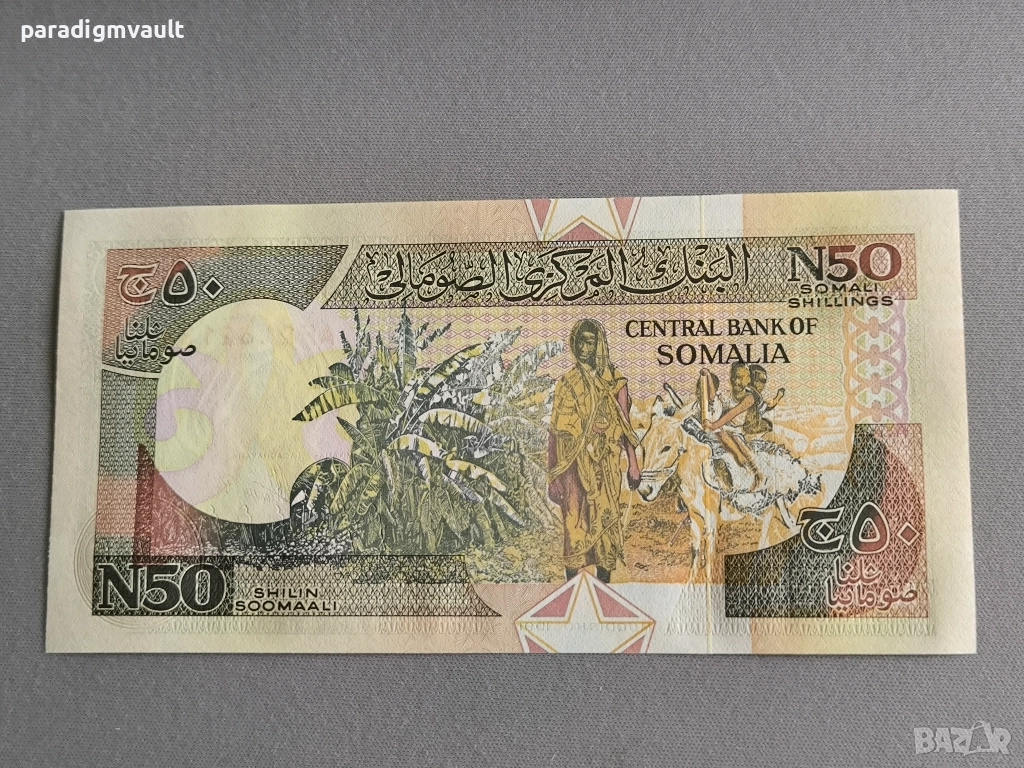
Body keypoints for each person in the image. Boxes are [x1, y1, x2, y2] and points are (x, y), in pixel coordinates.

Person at [548, 319, 641, 583]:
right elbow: (554, 433)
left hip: (605, 468)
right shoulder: (566, 383)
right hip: (572, 469)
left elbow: (625, 425)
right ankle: (572, 591)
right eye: (579, 341)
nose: (583, 347)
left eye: (589, 342)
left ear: (599, 345)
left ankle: (603, 590)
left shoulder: (615, 381)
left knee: (605, 530)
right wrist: (553, 477)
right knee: (574, 528)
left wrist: (633, 463)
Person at [702, 362, 764, 491]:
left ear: (748, 379)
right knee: (720, 433)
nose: (736, 381)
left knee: (736, 441)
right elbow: (713, 397)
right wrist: (708, 376)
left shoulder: (749, 398)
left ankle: (757, 473)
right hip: (723, 430)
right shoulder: (727, 395)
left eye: (741, 378)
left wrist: (713, 425)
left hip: (736, 431)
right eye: (734, 377)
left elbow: (732, 414)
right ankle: (738, 463)